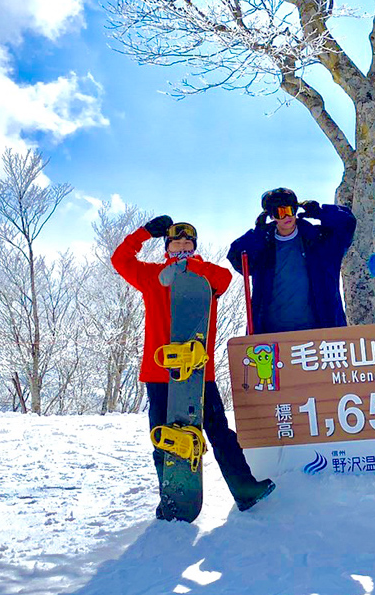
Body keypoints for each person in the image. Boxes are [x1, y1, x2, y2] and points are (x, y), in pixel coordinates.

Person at [112, 215, 275, 517]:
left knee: (219, 430)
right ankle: (173, 498)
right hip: (160, 373)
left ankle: (244, 488)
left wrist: (187, 269)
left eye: (188, 242)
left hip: (199, 372)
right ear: (167, 246)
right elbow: (120, 259)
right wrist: (145, 233)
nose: (183, 246)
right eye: (176, 242)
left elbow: (224, 279)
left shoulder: (206, 277)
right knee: (165, 435)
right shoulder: (151, 277)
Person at [227, 187, 356, 335]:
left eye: (290, 209)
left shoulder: (320, 241)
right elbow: (236, 256)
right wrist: (257, 233)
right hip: (271, 338)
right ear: (271, 216)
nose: (286, 216)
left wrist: (319, 212)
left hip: (321, 333)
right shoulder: (262, 248)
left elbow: (347, 224)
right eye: (279, 213)